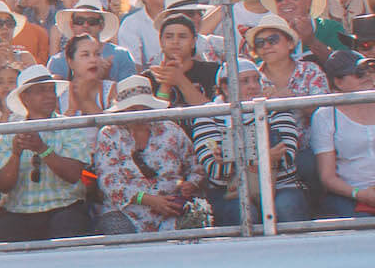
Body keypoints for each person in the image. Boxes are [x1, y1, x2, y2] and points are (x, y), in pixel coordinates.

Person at [191, 59, 311, 225]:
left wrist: (235, 157)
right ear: (225, 87)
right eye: (245, 81)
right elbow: (215, 170)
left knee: (287, 207)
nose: (253, 86)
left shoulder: (275, 108)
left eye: (256, 79)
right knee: (243, 213)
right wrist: (262, 157)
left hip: (280, 185)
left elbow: (287, 155)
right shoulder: (207, 115)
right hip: (230, 190)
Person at [0, 65, 95, 241]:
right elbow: (3, 186)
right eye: (41, 91)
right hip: (19, 212)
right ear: (24, 98)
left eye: (51, 90)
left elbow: (75, 175)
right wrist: (15, 154)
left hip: (65, 207)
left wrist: (42, 149)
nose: (50, 96)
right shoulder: (9, 133)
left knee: (68, 228)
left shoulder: (70, 126)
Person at [92, 76, 203, 233]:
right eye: (132, 110)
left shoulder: (171, 130)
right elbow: (109, 182)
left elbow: (195, 167)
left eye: (143, 109)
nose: (138, 115)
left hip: (171, 210)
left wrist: (191, 184)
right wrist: (149, 200)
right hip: (125, 212)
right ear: (122, 110)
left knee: (194, 225)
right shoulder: (110, 134)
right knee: (116, 229)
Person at [311, 49, 375, 216]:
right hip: (351, 194)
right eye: (358, 73)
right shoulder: (325, 115)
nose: (367, 76)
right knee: (359, 222)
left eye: (369, 70)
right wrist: (361, 194)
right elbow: (328, 178)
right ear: (338, 81)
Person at [49, 0, 136, 82]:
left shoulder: (121, 55)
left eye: (92, 21)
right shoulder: (57, 61)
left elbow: (128, 92)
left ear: (101, 26)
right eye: (79, 21)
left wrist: (106, 77)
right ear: (72, 25)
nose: (85, 25)